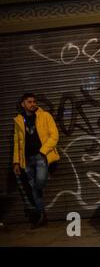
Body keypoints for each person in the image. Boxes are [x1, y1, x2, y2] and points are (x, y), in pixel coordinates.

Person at [13, 93, 60, 229]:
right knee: (34, 189)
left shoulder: (45, 116)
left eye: (34, 101)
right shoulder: (18, 120)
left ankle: (38, 212)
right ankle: (42, 215)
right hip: (26, 159)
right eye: (29, 102)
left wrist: (43, 151)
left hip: (41, 157)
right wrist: (16, 162)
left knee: (38, 183)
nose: (32, 104)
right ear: (23, 104)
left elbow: (54, 135)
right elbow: (17, 142)